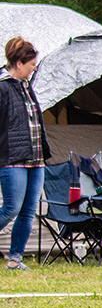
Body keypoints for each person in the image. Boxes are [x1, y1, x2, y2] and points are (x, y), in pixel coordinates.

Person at [0, 37, 51, 270]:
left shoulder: (26, 86)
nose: (34, 68)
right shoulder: (2, 87)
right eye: (31, 64)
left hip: (36, 159)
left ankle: (15, 260)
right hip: (12, 159)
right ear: (19, 63)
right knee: (11, 208)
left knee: (28, 211)